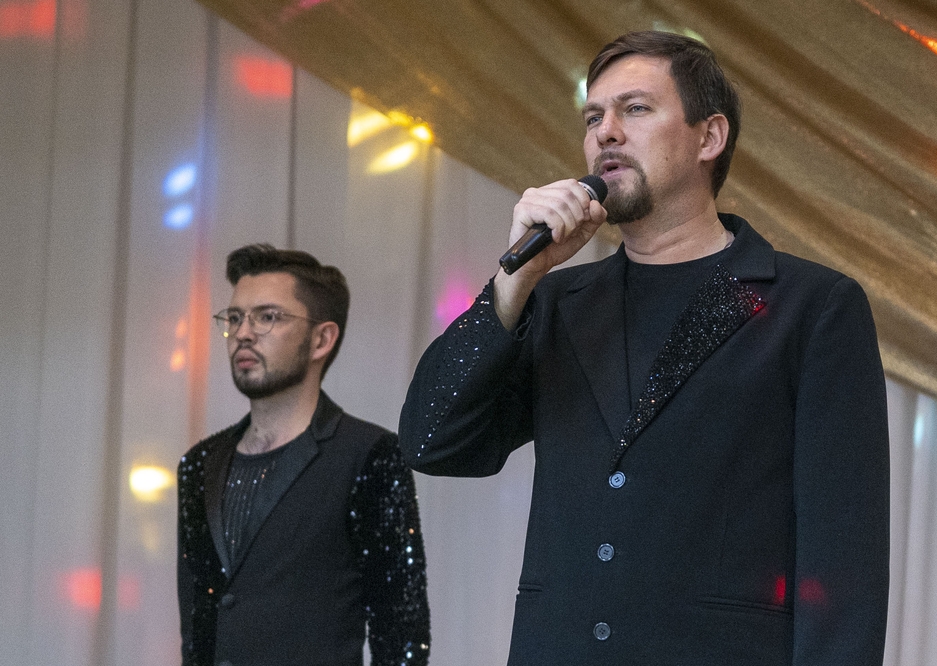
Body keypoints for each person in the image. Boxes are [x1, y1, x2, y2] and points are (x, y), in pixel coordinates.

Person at [399, 30, 889, 665]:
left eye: (634, 109)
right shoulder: (558, 300)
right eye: (593, 117)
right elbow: (433, 441)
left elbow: (844, 555)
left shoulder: (812, 305)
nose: (606, 132)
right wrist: (514, 282)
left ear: (709, 137)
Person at [177, 244, 430, 666]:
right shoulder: (199, 464)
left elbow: (400, 634)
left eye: (267, 317)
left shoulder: (369, 455)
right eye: (235, 318)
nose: (243, 333)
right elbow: (197, 629)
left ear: (321, 339)